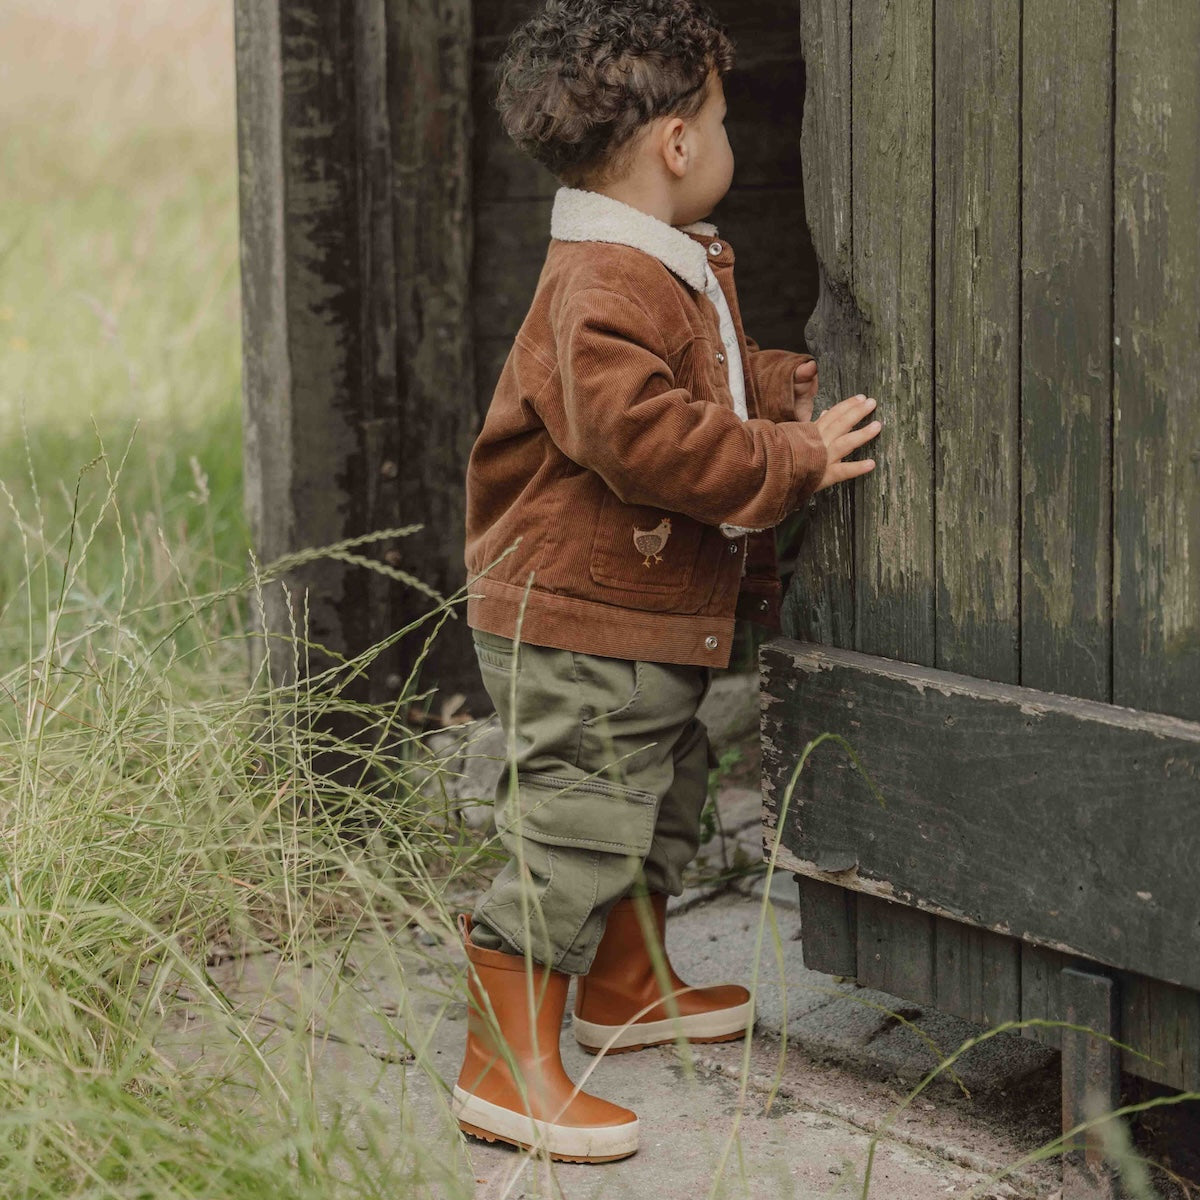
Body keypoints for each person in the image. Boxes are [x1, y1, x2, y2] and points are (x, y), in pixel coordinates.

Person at [453, 0, 880, 1163]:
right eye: (726, 119)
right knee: (577, 820)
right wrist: (789, 460)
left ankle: (625, 986)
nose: (732, 141)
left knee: (660, 792)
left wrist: (780, 384)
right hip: (575, 617)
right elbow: (641, 436)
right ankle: (501, 1057)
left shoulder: (658, 262)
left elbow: (703, 376)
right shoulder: (600, 281)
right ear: (678, 144)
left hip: (635, 618)